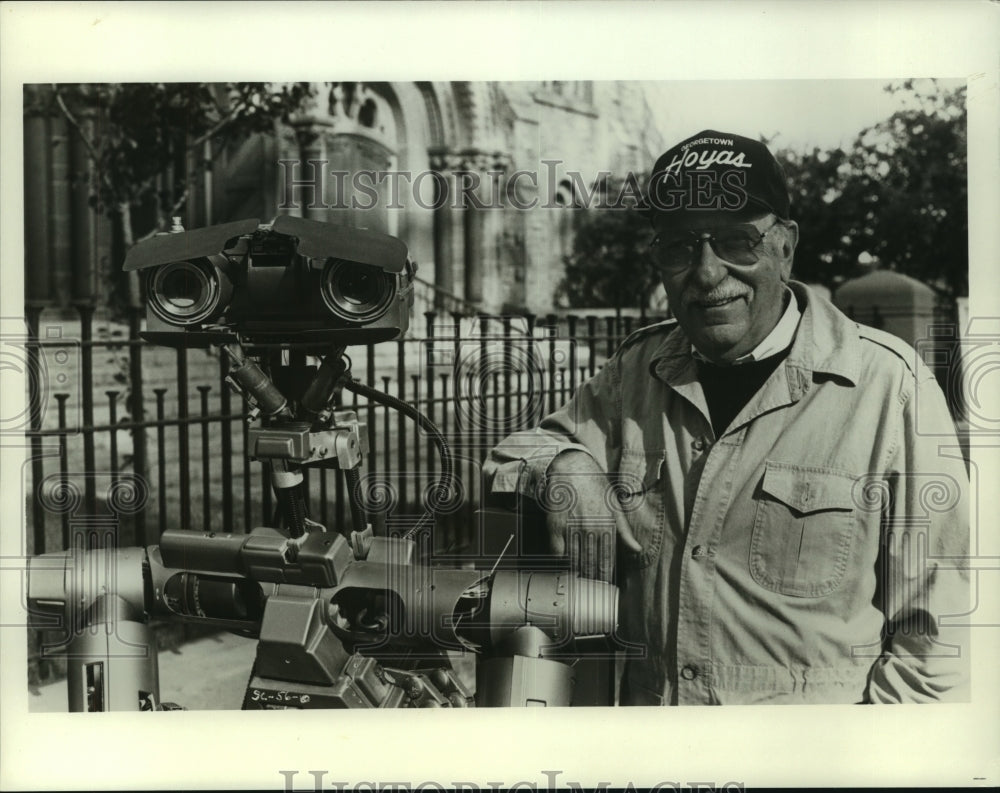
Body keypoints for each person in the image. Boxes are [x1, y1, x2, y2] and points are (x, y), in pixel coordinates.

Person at [484, 130, 970, 705]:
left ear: (785, 246)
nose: (708, 273)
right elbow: (514, 455)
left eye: (738, 242)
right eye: (678, 247)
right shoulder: (637, 370)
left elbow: (941, 643)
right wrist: (566, 466)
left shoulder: (889, 388)